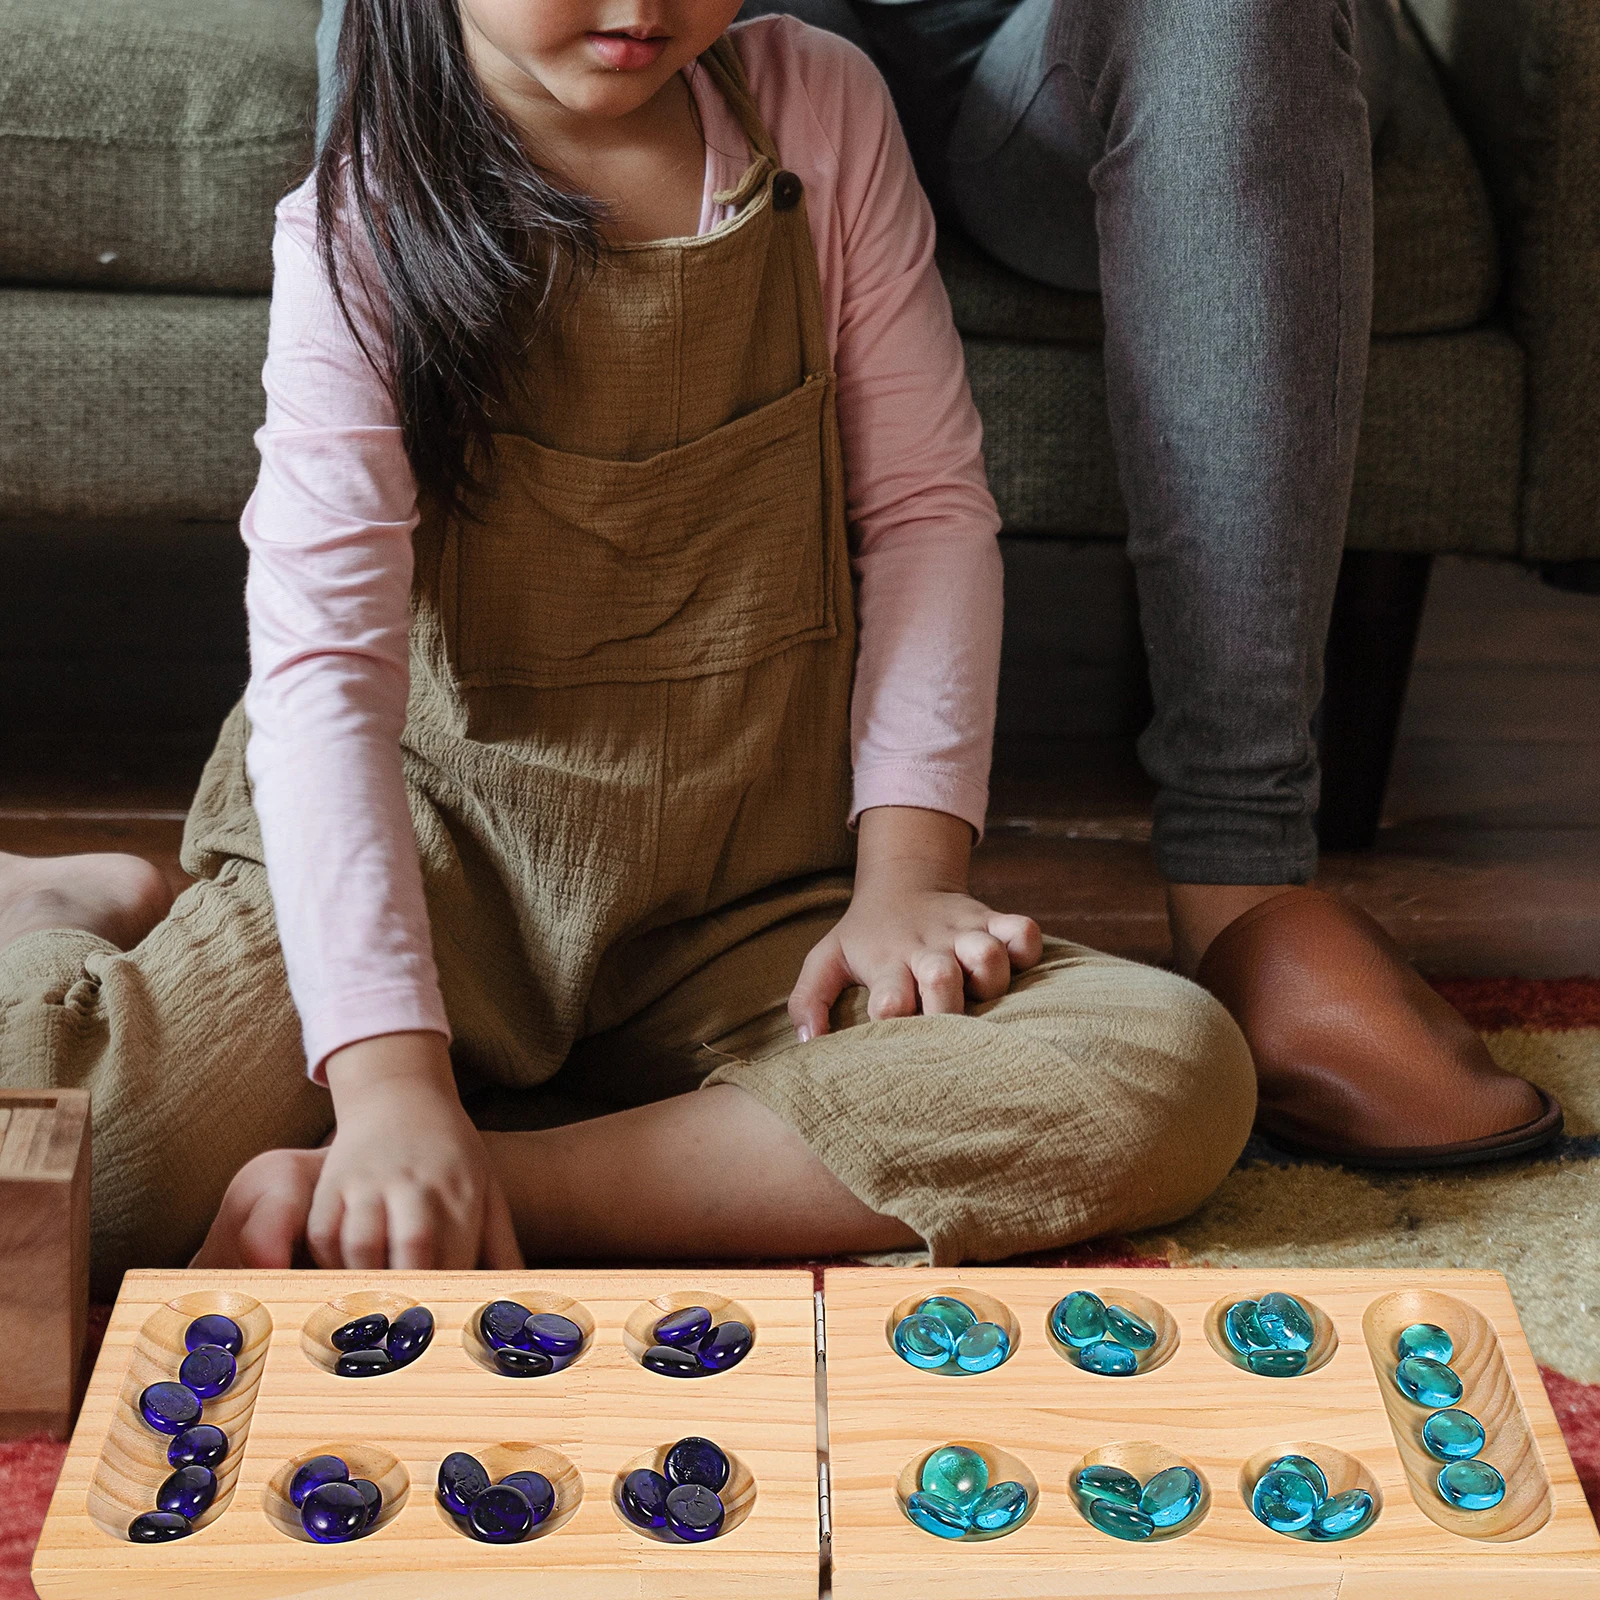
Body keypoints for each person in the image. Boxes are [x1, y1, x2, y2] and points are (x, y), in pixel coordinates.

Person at [0, 0, 1260, 1289]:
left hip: (745, 900)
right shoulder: (360, 224)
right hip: (432, 877)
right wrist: (385, 1084)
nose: (640, 6)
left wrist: (909, 879)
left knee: (1165, 1072)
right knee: (88, 1188)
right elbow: (325, 679)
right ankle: (80, 908)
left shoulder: (824, 106)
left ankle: (496, 1184)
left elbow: (928, 512)